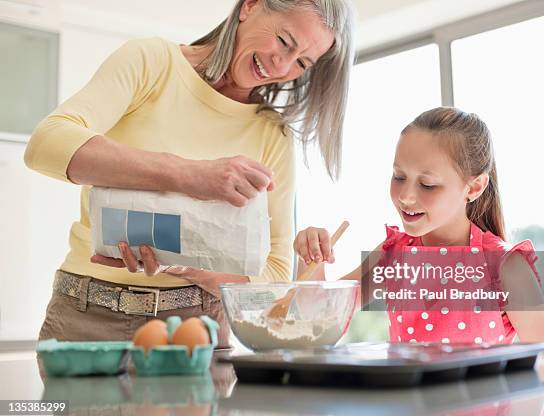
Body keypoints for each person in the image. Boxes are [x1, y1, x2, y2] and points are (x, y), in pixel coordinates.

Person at [24, 0, 355, 348]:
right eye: (284, 41)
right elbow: (47, 144)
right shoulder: (152, 63)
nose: (283, 64)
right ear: (250, 6)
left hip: (199, 329)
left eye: (302, 62)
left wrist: (185, 265)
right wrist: (188, 175)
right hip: (87, 318)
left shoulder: (273, 133)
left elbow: (271, 277)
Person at [294, 106, 544, 358]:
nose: (407, 196)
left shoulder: (506, 267)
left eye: (428, 184)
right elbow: (318, 318)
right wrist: (311, 259)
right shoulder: (392, 255)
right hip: (406, 407)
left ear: (474, 187)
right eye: (399, 177)